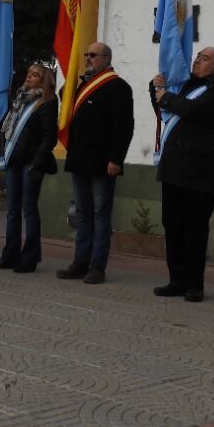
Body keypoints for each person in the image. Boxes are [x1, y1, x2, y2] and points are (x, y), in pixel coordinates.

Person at [149, 46, 214, 302]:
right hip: (174, 167)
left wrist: (166, 97)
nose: (196, 61)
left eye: (203, 58)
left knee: (194, 229)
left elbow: (194, 111)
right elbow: (167, 112)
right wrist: (156, 90)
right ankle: (176, 280)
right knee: (172, 226)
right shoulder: (187, 87)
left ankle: (195, 285)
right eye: (197, 57)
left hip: (198, 172)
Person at [58, 41, 133, 285]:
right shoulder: (83, 85)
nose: (88, 58)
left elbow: (123, 127)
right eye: (86, 54)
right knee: (82, 214)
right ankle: (80, 262)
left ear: (106, 59)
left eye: (93, 55)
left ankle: (97, 266)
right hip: (80, 159)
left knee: (101, 214)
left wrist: (116, 159)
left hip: (103, 162)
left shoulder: (118, 87)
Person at [0, 63, 58, 273]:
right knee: (12, 211)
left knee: (29, 210)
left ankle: (30, 257)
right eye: (28, 73)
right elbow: (7, 128)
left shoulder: (47, 102)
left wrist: (37, 163)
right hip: (14, 160)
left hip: (31, 162)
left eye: (35, 75)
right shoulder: (20, 98)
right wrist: (2, 152)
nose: (29, 77)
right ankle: (10, 254)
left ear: (44, 80)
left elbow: (49, 137)